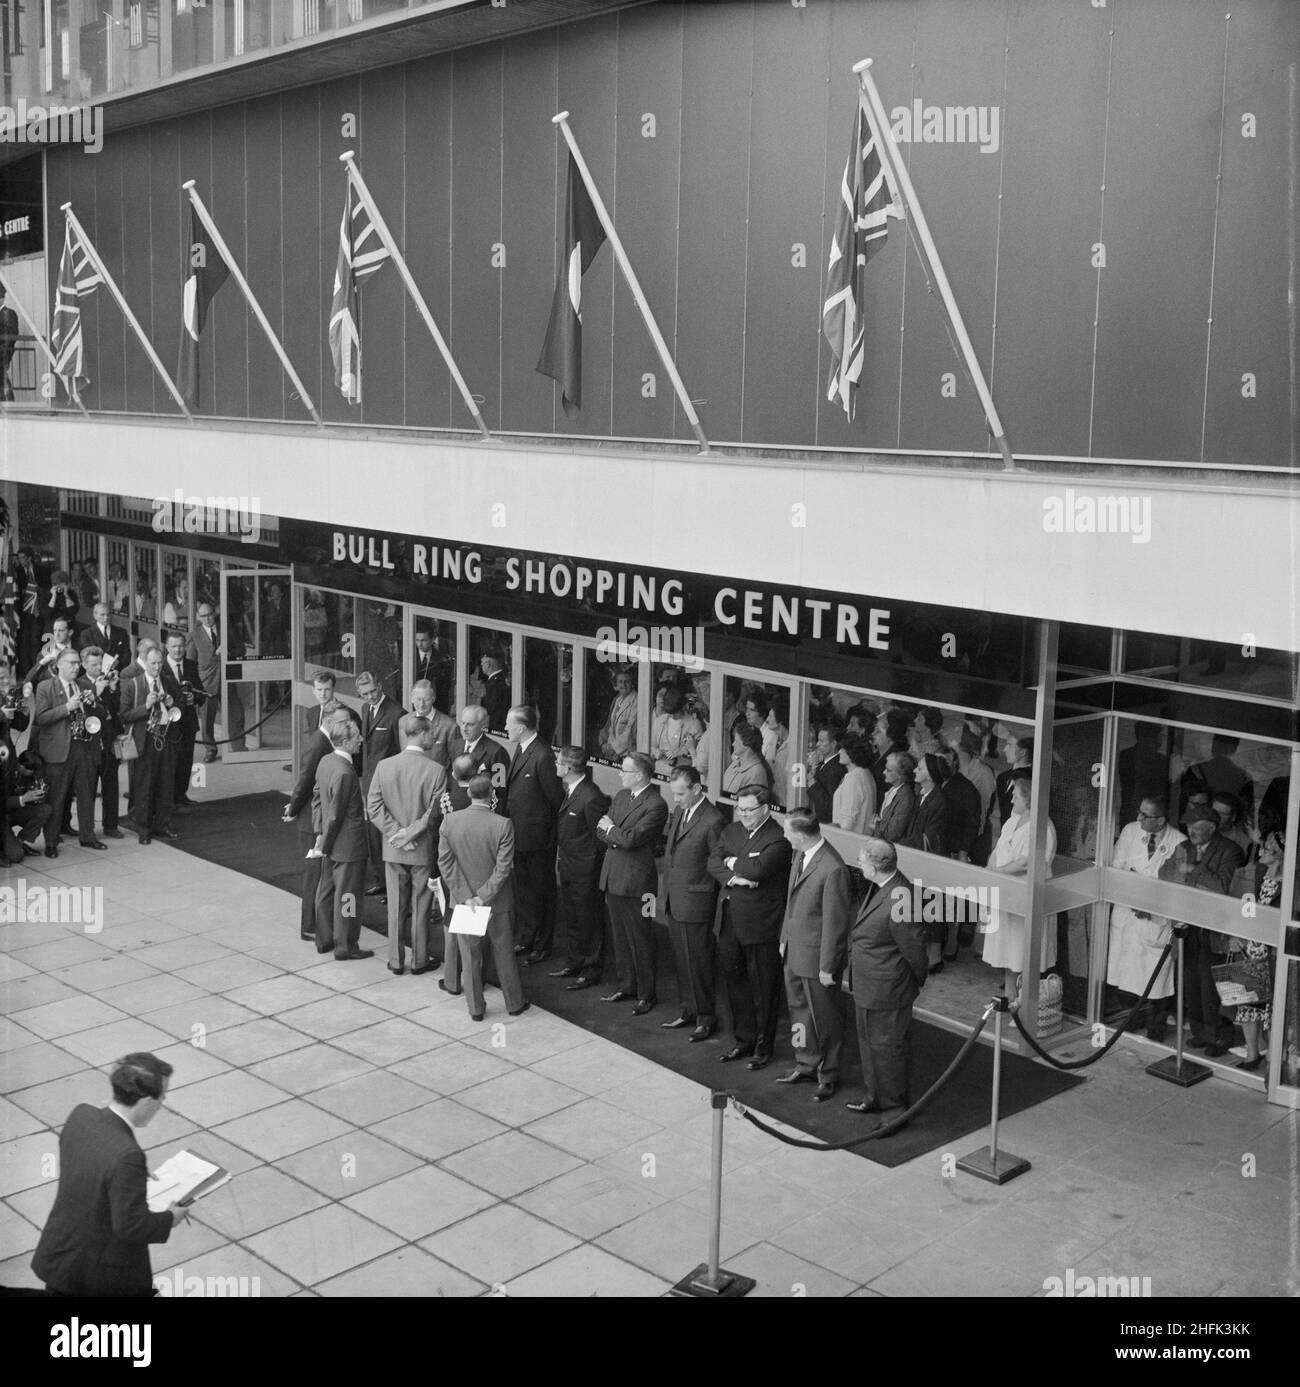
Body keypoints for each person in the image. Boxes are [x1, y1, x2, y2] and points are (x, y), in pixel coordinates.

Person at [31, 1053, 190, 1297]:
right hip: (99, 1275)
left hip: (62, 1255)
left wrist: (122, 1175)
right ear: (147, 1101)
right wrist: (170, 1218)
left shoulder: (81, 1116)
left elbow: (85, 1159)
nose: (163, 1101)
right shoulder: (128, 1156)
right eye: (162, 1097)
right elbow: (131, 1227)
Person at [844, 839, 928, 1134]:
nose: (858, 863)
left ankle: (895, 1112)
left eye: (862, 860)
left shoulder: (900, 896)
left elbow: (915, 949)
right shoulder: (881, 887)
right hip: (869, 987)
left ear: (876, 866)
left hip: (889, 990)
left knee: (889, 1050)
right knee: (869, 1046)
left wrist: (912, 982)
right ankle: (875, 1097)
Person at [710, 785, 793, 1070]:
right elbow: (712, 861)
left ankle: (762, 1047)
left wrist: (732, 861)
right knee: (734, 980)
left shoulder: (779, 838)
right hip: (730, 918)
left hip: (761, 925)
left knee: (764, 988)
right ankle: (742, 1040)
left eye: (750, 810)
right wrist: (736, 877)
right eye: (740, 809)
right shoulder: (731, 831)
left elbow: (759, 871)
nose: (743, 814)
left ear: (766, 809)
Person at [438, 773, 528, 1021]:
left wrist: (467, 897)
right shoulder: (503, 824)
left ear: (468, 793)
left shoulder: (449, 822)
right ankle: (514, 1003)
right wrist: (483, 896)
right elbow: (504, 867)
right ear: (492, 795)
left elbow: (446, 864)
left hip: (464, 903)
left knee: (470, 956)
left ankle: (476, 1008)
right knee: (504, 953)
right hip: (497, 903)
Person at [1158, 805, 1245, 1057]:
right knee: (1191, 982)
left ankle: (1219, 1037)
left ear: (1212, 828)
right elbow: (1164, 873)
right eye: (1187, 827)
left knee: (1211, 987)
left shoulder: (1230, 851)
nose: (1190, 832)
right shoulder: (1184, 847)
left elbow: (1222, 886)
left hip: (1214, 929)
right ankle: (1200, 1032)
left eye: (1195, 828)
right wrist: (1177, 868)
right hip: (1187, 924)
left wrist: (1192, 869)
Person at [776, 810, 850, 1101]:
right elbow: (791, 902)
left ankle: (828, 1074)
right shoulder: (801, 855)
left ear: (802, 835)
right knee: (798, 1011)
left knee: (826, 1018)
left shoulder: (832, 868)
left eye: (787, 832)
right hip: (794, 951)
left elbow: (836, 923)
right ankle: (805, 1062)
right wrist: (784, 938)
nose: (784, 836)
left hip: (817, 960)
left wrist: (828, 966)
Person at [367, 713, 447, 975]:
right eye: (431, 733)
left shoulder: (384, 766)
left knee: (395, 906)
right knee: (420, 906)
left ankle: (395, 959)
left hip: (393, 848)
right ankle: (420, 960)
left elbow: (373, 806)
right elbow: (433, 813)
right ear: (422, 734)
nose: (434, 737)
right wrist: (411, 833)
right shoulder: (436, 770)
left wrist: (397, 834)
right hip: (422, 848)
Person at [1106, 797, 1185, 1040]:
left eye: (1145, 815)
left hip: (1156, 918)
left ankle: (1155, 1029)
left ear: (1161, 820)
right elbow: (1117, 867)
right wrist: (1136, 892)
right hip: (1127, 911)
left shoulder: (1179, 842)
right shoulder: (1131, 831)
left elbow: (1175, 886)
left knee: (1157, 977)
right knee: (1126, 973)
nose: (1138, 818)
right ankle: (1130, 1020)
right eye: (1139, 812)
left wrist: (1148, 900)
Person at [656, 766, 725, 1040]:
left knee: (699, 961)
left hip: (697, 902)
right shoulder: (680, 812)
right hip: (676, 898)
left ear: (697, 789)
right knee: (682, 960)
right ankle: (689, 1010)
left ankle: (706, 1017)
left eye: (681, 793)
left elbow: (716, 862)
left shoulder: (713, 819)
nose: (676, 799)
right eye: (674, 793)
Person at [598, 751, 668, 1013]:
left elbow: (633, 838)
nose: (619, 774)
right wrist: (615, 833)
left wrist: (612, 831)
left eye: (624, 770)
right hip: (614, 874)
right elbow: (601, 828)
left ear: (639, 775)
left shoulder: (656, 804)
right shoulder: (621, 796)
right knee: (620, 936)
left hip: (636, 881)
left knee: (640, 937)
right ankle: (626, 985)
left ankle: (646, 993)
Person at [981, 776, 1057, 997]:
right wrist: (989, 868)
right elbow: (998, 850)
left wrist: (998, 872)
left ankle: (1026, 1009)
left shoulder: (1044, 826)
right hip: (1006, 895)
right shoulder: (1012, 820)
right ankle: (1009, 999)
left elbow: (1027, 861)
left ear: (1030, 799)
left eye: (1016, 796)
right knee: (1007, 952)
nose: (1012, 800)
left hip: (1027, 898)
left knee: (1024, 954)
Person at [311, 710, 375, 961]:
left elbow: (318, 798)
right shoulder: (346, 772)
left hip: (329, 842)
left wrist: (320, 835)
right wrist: (325, 842)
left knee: (326, 892)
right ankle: (346, 945)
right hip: (348, 846)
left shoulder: (326, 762)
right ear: (346, 742)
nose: (360, 740)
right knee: (348, 896)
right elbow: (337, 815)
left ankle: (324, 938)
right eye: (357, 737)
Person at [281, 674, 341, 941]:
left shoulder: (323, 737)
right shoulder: (319, 741)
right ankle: (309, 926)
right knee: (314, 874)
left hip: (315, 812)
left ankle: (317, 922)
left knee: (318, 873)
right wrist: (293, 807)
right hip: (311, 817)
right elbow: (305, 776)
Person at [35, 647, 108, 857]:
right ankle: (50, 842)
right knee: (56, 798)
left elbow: (102, 715)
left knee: (87, 795)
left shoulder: (86, 685)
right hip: (59, 751)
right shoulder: (45, 687)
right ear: (59, 665)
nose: (76, 667)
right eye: (72, 663)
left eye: (78, 663)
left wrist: (94, 702)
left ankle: (88, 836)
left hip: (84, 747)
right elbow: (41, 718)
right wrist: (67, 707)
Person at [548, 746, 610, 990]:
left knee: (589, 921)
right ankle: (575, 962)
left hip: (586, 871)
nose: (555, 765)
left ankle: (591, 969)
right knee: (573, 917)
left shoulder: (591, 796)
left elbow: (599, 839)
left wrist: (593, 868)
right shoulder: (573, 790)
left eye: (558, 762)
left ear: (569, 767)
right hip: (570, 866)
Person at [504, 704, 563, 960]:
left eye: (508, 724)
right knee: (526, 891)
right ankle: (528, 937)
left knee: (542, 893)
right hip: (521, 835)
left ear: (521, 727)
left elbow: (554, 798)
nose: (505, 728)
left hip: (539, 840)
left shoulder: (542, 755)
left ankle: (542, 944)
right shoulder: (521, 748)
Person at [1231, 830, 1284, 1071]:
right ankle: (1252, 1054)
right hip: (1252, 947)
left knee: (1272, 1007)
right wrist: (1239, 934)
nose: (1260, 851)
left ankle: (1273, 1059)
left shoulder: (1291, 883)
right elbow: (1246, 904)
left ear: (1280, 855)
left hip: (1274, 953)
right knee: (1247, 1003)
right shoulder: (1259, 874)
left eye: (1267, 849)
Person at [121, 646, 182, 846]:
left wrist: (173, 703)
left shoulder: (169, 681)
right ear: (144, 662)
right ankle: (143, 829)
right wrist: (145, 707)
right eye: (152, 663)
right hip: (144, 741)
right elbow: (124, 715)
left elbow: (180, 708)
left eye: (159, 663)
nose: (156, 667)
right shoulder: (133, 685)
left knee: (166, 784)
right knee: (144, 786)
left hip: (165, 740)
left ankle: (163, 824)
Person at [356, 669, 407, 897]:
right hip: (369, 782)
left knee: (388, 832)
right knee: (373, 834)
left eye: (372, 691)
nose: (370, 696)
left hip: (388, 784)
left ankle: (394, 885)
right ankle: (380, 880)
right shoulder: (365, 709)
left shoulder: (397, 713)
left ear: (380, 685)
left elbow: (402, 751)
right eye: (365, 693)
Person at [79, 646, 124, 840]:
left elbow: (116, 711)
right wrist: (96, 692)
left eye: (100, 664)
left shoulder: (106, 682)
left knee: (111, 784)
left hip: (108, 739)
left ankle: (111, 825)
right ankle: (87, 829)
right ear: (84, 664)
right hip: (89, 744)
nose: (98, 668)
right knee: (88, 788)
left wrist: (112, 689)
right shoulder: (79, 684)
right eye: (94, 664)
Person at [164, 631, 205, 809]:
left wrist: (194, 699)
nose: (178, 650)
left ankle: (181, 795)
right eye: (173, 646)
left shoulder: (190, 665)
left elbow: (201, 694)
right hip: (169, 724)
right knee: (170, 761)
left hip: (188, 722)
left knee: (186, 760)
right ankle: (168, 798)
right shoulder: (160, 666)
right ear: (167, 647)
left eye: (181, 646)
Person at [449, 704, 511, 811]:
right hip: (456, 810)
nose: (464, 729)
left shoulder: (496, 751)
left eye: (470, 725)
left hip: (482, 811)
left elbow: (501, 792)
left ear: (483, 726)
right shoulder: (455, 745)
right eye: (463, 723)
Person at [185, 601, 225, 761]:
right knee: (207, 717)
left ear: (214, 613)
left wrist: (228, 649)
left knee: (235, 713)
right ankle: (210, 749)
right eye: (203, 616)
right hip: (207, 682)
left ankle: (238, 747)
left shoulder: (226, 628)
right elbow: (190, 662)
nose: (207, 619)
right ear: (198, 617)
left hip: (227, 678)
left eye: (209, 614)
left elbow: (240, 648)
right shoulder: (194, 635)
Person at [1117, 723, 1171, 828]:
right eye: (1159, 736)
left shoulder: (1126, 755)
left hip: (1136, 810)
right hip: (1145, 812)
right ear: (1149, 738)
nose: (1161, 740)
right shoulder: (1158, 760)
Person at [832, 734, 876, 835]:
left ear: (851, 752)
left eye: (843, 749)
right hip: (862, 838)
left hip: (848, 842)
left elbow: (848, 820)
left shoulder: (854, 778)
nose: (839, 752)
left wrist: (837, 838)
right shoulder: (866, 773)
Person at [405, 680, 456, 766]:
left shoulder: (449, 726)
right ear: (411, 699)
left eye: (426, 699)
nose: (422, 704)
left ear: (433, 699)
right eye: (418, 699)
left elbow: (455, 763)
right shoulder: (402, 722)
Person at [871, 750, 918, 843]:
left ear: (900, 775)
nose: (884, 772)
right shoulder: (892, 789)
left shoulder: (906, 798)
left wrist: (876, 825)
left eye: (888, 770)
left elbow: (893, 834)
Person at [804, 721, 846, 823]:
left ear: (833, 744)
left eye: (822, 741)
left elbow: (829, 804)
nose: (817, 744)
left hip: (825, 823)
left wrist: (812, 783)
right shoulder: (823, 763)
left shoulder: (836, 768)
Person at [652, 686, 698, 775]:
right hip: (658, 771)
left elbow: (698, 756)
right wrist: (658, 752)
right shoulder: (660, 720)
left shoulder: (694, 724)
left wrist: (680, 753)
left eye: (676, 712)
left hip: (682, 774)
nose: (673, 716)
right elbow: (650, 745)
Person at [722, 722, 772, 799]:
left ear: (746, 745)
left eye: (736, 741)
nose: (733, 744)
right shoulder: (735, 764)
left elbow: (751, 804)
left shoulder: (756, 773)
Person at [78, 600, 130, 670]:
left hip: (117, 672)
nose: (106, 618)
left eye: (108, 614)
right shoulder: (86, 634)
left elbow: (127, 654)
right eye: (102, 615)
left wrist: (118, 664)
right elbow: (88, 655)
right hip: (96, 672)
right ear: (95, 615)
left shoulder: (121, 632)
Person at [598, 669, 638, 760]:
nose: (623, 685)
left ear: (632, 683)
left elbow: (630, 730)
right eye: (620, 682)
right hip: (615, 751)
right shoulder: (619, 699)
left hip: (628, 752)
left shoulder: (636, 700)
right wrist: (609, 745)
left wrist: (613, 747)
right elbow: (612, 727)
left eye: (626, 682)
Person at [480, 651, 511, 733]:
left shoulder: (495, 683)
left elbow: (491, 708)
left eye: (482, 663)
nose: (481, 665)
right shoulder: (502, 677)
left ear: (488, 664)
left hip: (496, 727)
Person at [0, 290, 18, 400]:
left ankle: (9, 406)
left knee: (3, 383)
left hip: (2, 355)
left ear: (2, 298)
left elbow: (10, 339)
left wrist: (5, 357)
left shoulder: (8, 314)